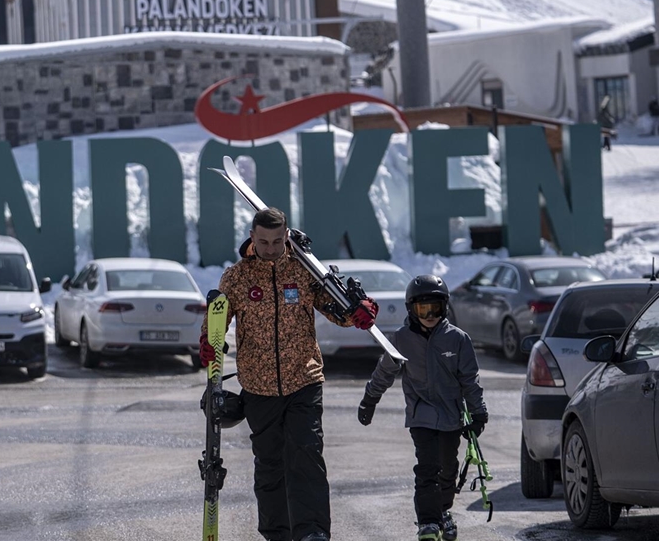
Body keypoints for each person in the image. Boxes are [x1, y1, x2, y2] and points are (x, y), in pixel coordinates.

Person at [199, 208, 378, 541]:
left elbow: (335, 308)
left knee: (306, 453)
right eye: (263, 241)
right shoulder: (236, 277)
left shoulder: (304, 270)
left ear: (286, 237)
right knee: (270, 464)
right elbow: (217, 319)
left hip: (304, 380)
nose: (270, 248)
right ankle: (277, 533)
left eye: (276, 241)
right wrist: (209, 341)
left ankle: (312, 532)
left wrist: (358, 310)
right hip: (258, 386)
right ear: (252, 238)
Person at [356, 275, 487, 541]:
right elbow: (384, 372)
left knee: (448, 469)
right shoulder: (401, 339)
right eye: (423, 309)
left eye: (435, 309)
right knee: (428, 468)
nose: (429, 316)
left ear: (444, 307)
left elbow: (469, 380)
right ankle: (428, 522)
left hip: (451, 416)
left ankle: (443, 511)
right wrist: (370, 399)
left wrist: (478, 412)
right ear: (411, 309)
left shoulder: (458, 339)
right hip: (421, 416)